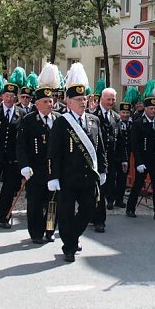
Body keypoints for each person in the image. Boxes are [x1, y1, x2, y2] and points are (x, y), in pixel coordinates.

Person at [47, 63, 106, 264]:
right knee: (65, 213)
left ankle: (72, 236)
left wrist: (103, 169)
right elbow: (53, 153)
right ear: (69, 101)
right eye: (78, 99)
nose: (83, 102)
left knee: (89, 209)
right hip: (67, 177)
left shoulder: (93, 121)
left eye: (85, 99)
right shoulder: (61, 123)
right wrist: (53, 176)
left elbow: (100, 149)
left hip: (88, 178)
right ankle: (69, 247)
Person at [17, 68, 61, 245]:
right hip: (35, 169)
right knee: (35, 203)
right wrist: (24, 166)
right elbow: (21, 146)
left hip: (53, 169)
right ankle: (35, 232)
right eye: (45, 101)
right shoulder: (28, 121)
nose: (50, 104)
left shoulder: (59, 119)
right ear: (37, 104)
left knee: (52, 204)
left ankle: (50, 230)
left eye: (51, 101)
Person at [0, 81, 25, 229]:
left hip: (12, 158)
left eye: (12, 96)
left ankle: (4, 216)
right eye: (7, 95)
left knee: (8, 188)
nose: (9, 99)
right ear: (2, 96)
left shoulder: (21, 113)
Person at [125, 94, 155, 220]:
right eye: (151, 109)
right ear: (146, 109)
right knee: (138, 184)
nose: (153, 111)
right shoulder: (138, 123)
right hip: (143, 159)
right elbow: (135, 144)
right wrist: (139, 162)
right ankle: (130, 208)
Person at [91, 86, 119, 233]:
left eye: (113, 99)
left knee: (107, 188)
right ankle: (99, 221)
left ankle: (94, 215)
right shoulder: (93, 115)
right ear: (102, 99)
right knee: (98, 190)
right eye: (108, 99)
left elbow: (118, 140)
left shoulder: (116, 117)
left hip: (111, 159)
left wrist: (124, 159)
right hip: (96, 158)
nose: (111, 102)